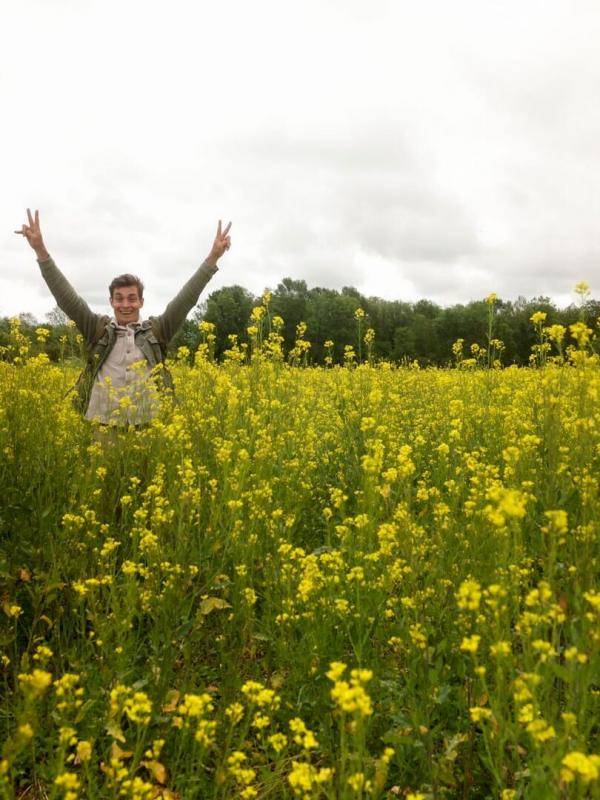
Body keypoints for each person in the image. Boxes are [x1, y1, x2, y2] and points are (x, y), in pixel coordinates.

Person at [15, 209, 231, 425]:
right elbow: (66, 297)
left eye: (131, 298)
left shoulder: (157, 331)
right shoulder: (97, 330)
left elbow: (186, 299)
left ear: (141, 302)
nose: (125, 304)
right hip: (102, 427)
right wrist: (40, 249)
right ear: (111, 302)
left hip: (150, 427)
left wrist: (213, 257)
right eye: (119, 298)